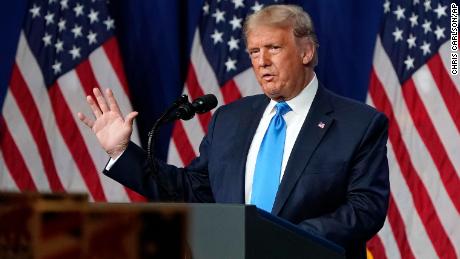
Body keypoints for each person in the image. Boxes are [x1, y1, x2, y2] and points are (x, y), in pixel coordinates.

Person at [78, 4, 389, 259]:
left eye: (273, 48)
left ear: (306, 51)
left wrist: (289, 241)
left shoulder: (358, 123)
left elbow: (365, 208)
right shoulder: (230, 118)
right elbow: (193, 190)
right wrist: (121, 151)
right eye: (254, 52)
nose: (262, 62)